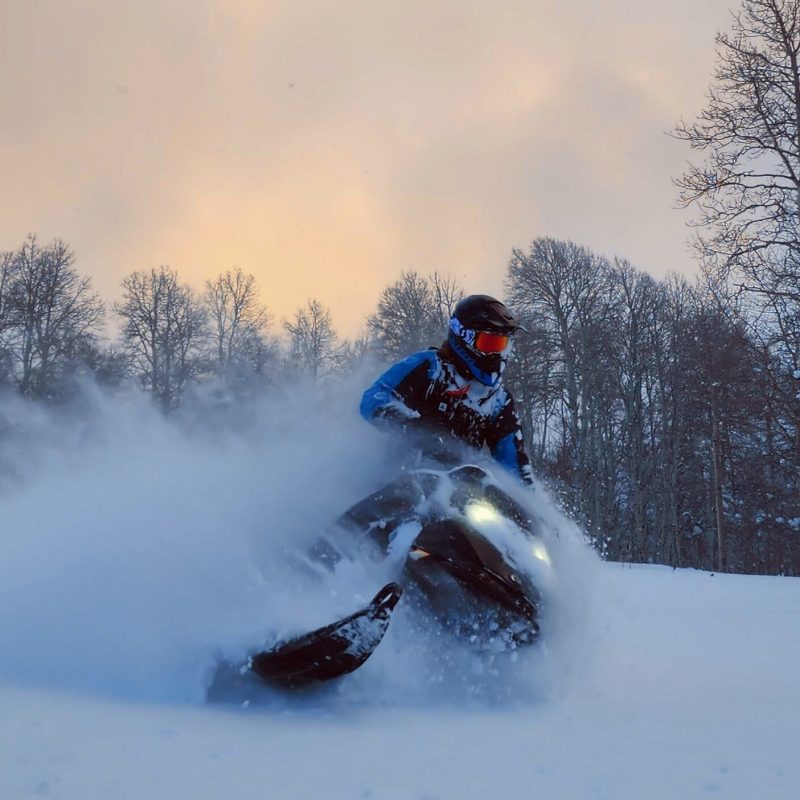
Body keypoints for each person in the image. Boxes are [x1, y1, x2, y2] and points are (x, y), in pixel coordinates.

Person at [360, 294, 534, 486]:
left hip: (461, 494)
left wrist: (530, 507)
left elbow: (514, 465)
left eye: (502, 346)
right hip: (401, 483)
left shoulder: (498, 400)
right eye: (489, 344)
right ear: (464, 336)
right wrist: (406, 423)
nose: (496, 354)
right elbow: (373, 398)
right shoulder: (429, 366)